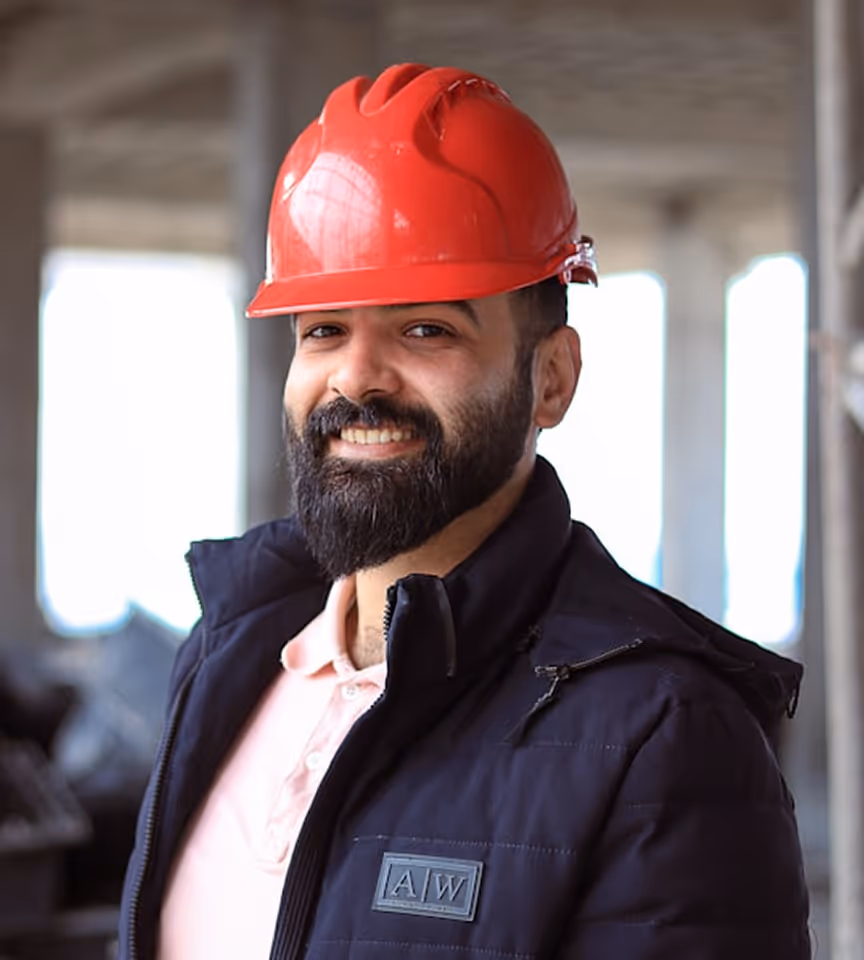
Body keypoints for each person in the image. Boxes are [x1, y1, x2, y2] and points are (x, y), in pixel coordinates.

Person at [119, 63, 810, 960]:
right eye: (323, 329)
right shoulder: (230, 652)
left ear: (551, 378)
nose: (356, 375)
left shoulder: (662, 735)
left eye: (425, 330)